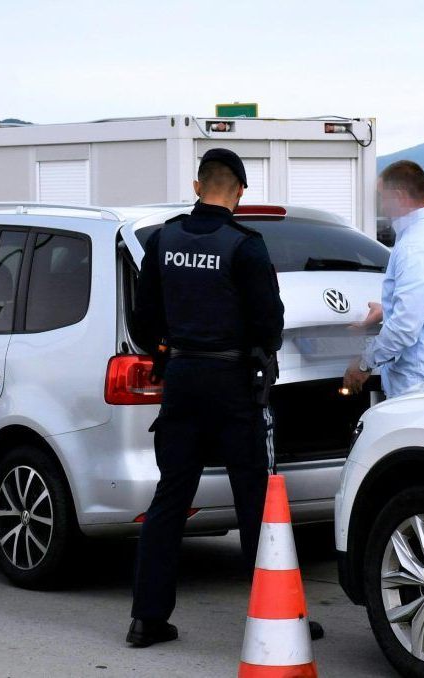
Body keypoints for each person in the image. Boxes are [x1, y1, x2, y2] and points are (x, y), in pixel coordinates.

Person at [127, 148, 323, 647]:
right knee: (255, 499)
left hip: (182, 379)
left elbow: (143, 320)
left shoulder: (164, 239)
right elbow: (269, 324)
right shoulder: (244, 245)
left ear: (198, 187)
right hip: (233, 382)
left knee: (171, 497)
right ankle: (279, 615)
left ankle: (147, 619)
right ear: (239, 193)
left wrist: (170, 349)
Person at [345, 160, 424, 399]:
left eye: (382, 197)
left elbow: (405, 326)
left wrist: (364, 363)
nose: (381, 206)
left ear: (399, 196)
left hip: (421, 382)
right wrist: (386, 309)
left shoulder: (415, 245)